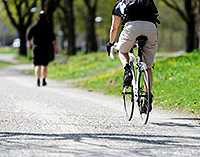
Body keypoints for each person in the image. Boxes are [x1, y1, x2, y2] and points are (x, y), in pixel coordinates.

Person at [106, 0, 160, 112]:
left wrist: (111, 43)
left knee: (122, 51)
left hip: (131, 27)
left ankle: (127, 70)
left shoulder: (120, 3)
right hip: (151, 28)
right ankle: (148, 95)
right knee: (148, 66)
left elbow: (114, 28)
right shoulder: (148, 1)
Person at [27, 10, 58, 87]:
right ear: (46, 17)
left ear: (38, 17)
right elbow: (53, 39)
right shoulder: (48, 27)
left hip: (37, 48)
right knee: (44, 65)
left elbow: (29, 37)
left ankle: (38, 79)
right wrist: (55, 48)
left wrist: (30, 44)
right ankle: (44, 79)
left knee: (37, 65)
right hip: (46, 48)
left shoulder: (34, 27)